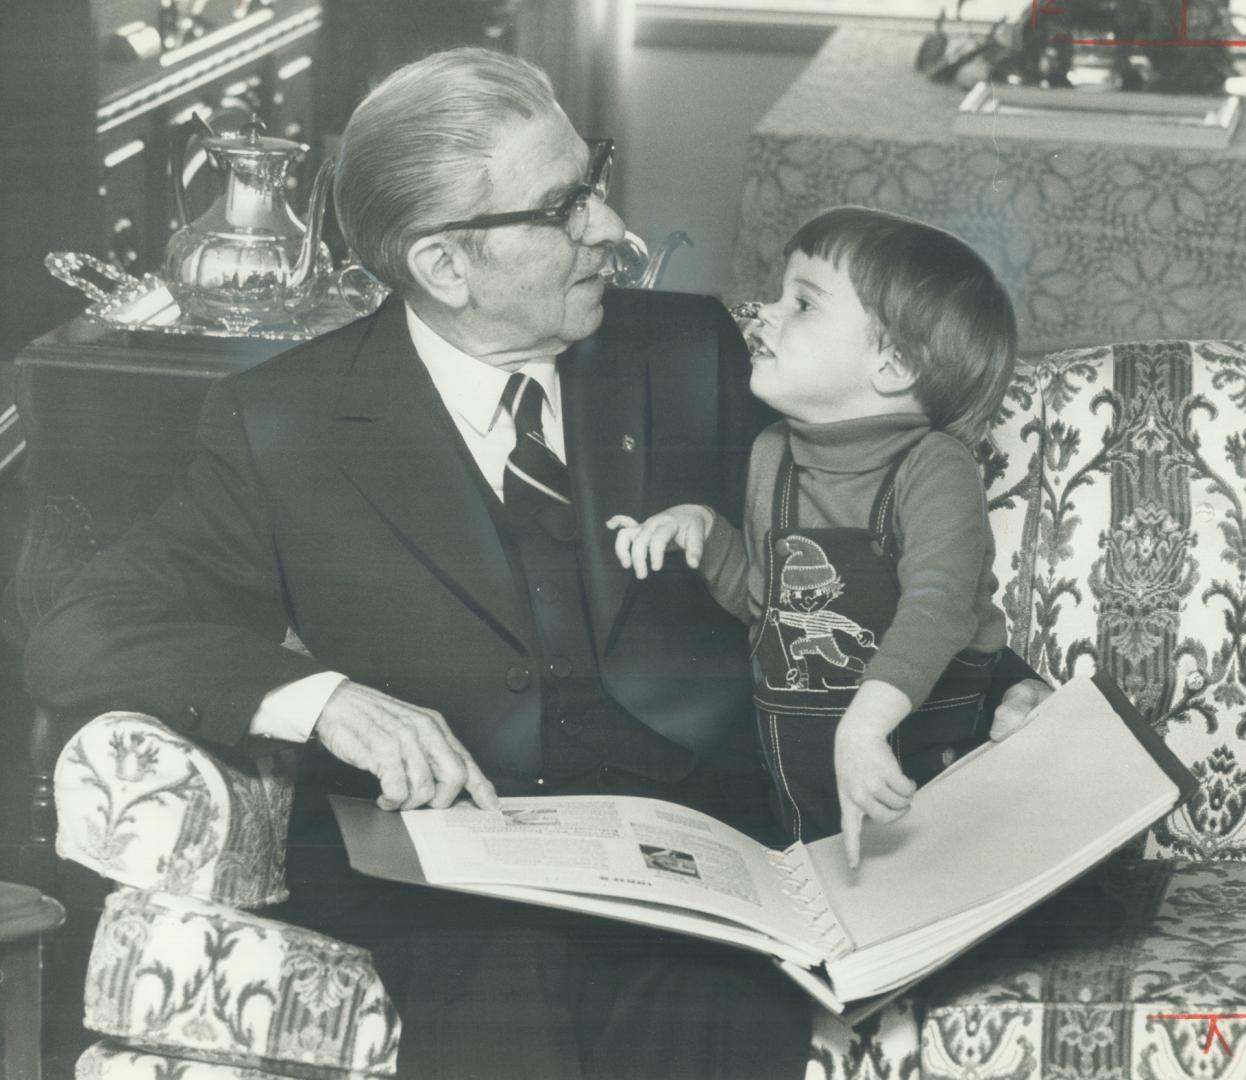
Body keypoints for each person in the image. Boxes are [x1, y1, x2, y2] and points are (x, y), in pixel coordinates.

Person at [25, 53, 1046, 1079]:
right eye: (565, 208)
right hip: (449, 879)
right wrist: (325, 699)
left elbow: (868, 532)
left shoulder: (695, 355)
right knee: (503, 995)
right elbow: (85, 625)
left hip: (699, 854)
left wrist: (993, 694)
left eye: (592, 180)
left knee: (715, 1002)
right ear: (445, 265)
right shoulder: (283, 422)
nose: (611, 228)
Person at [610, 206, 1027, 868]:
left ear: (893, 363)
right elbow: (766, 607)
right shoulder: (771, 454)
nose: (763, 311)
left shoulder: (935, 466)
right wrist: (705, 534)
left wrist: (865, 725)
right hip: (801, 789)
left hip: (927, 789)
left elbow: (940, 606)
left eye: (802, 304)